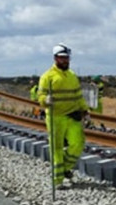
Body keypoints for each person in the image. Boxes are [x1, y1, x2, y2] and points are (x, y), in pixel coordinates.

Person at [37, 43, 90, 189]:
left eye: (66, 58)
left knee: (77, 143)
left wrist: (85, 110)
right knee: (57, 148)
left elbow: (78, 96)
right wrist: (45, 100)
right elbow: (40, 95)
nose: (65, 61)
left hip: (72, 115)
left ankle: (66, 168)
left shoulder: (72, 76)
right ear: (55, 58)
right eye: (62, 58)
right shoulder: (47, 77)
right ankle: (57, 180)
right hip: (55, 117)